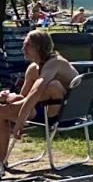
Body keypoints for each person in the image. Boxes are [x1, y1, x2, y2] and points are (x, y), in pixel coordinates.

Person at [0, 30, 78, 165]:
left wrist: (19, 123)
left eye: (28, 45)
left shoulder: (55, 63)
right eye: (24, 45)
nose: (23, 48)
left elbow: (35, 92)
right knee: (3, 110)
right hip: (44, 109)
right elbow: (23, 97)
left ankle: (1, 160)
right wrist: (7, 97)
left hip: (64, 115)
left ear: (40, 47)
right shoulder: (32, 68)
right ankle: (1, 160)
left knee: (52, 85)